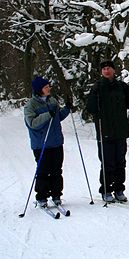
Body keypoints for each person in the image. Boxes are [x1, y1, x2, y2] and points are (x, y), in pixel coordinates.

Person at [87, 59, 129, 202]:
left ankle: (119, 189)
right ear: (101, 72)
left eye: (109, 68)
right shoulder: (97, 87)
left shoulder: (121, 86)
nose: (106, 71)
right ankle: (106, 190)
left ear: (114, 70)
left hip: (120, 130)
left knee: (121, 162)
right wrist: (93, 96)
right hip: (105, 131)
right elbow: (91, 109)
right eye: (104, 69)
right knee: (107, 162)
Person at [24, 76, 71, 207]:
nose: (48, 88)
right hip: (41, 144)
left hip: (56, 142)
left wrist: (66, 109)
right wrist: (48, 114)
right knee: (43, 171)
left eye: (48, 86)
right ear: (39, 89)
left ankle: (56, 194)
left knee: (57, 170)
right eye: (45, 87)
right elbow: (32, 123)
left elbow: (57, 117)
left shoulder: (52, 101)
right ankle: (42, 197)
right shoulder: (30, 105)